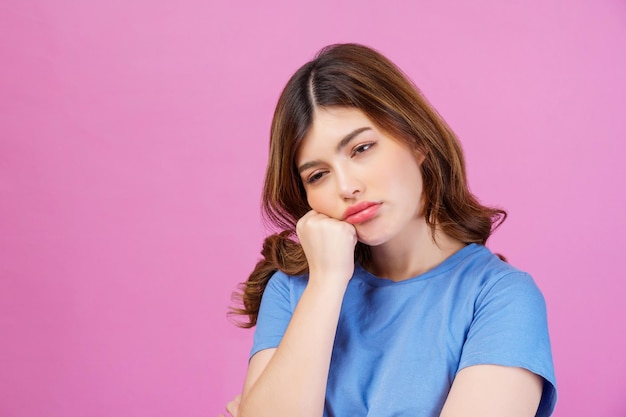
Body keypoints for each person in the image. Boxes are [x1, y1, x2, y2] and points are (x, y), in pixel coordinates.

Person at [220, 43, 557, 417]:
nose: (346, 186)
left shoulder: (500, 299)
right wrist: (327, 281)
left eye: (361, 148)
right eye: (318, 175)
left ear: (416, 140)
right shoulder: (293, 289)